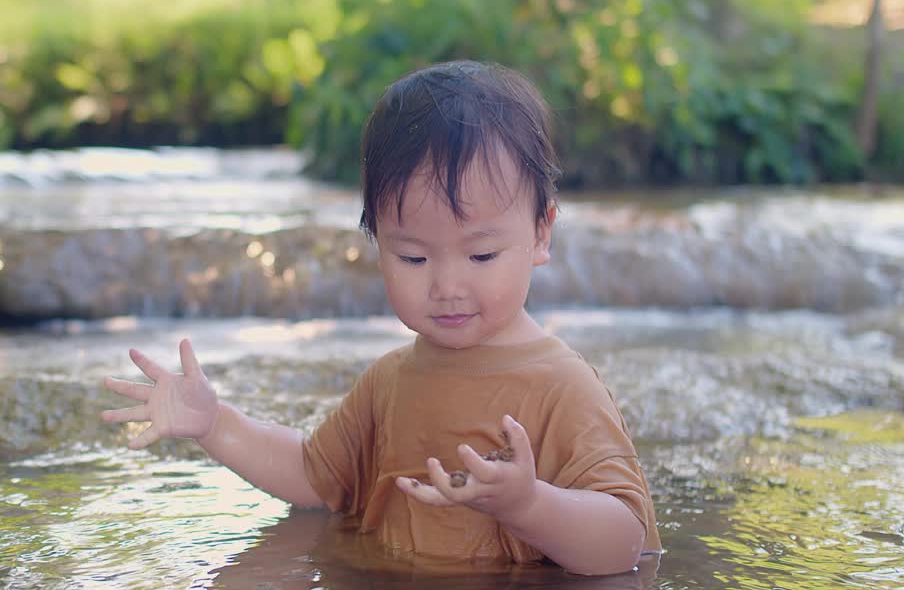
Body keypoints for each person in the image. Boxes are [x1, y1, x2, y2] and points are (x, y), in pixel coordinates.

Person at [101, 60, 661, 576]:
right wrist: (214, 423)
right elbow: (312, 477)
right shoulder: (388, 381)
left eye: (482, 255)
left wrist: (529, 503)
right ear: (376, 243)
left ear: (542, 232)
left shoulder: (561, 387)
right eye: (413, 257)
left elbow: (624, 544)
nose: (447, 286)